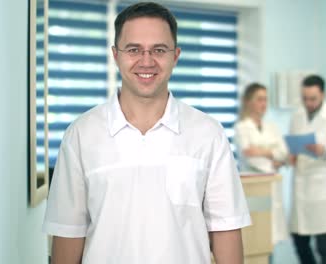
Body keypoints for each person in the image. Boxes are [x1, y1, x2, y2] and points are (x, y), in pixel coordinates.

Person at [42, 2, 251, 264]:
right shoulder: (81, 135)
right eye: (133, 50)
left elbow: (226, 230)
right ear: (115, 55)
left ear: (175, 56)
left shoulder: (209, 134)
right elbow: (68, 234)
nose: (147, 61)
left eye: (159, 50)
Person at [289, 75, 326, 264]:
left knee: (324, 247)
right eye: (304, 98)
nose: (308, 103)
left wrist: (325, 151)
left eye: (312, 98)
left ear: (322, 94)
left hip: (321, 188)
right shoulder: (297, 116)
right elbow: (292, 144)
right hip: (301, 187)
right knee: (299, 241)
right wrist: (292, 155)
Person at [234, 83, 289, 245]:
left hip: (272, 182)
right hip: (253, 184)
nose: (263, 104)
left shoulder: (272, 127)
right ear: (249, 101)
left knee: (270, 236)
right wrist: (273, 153)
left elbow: (284, 153)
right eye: (259, 99)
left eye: (265, 99)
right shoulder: (242, 127)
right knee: (255, 237)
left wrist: (263, 151)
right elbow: (250, 155)